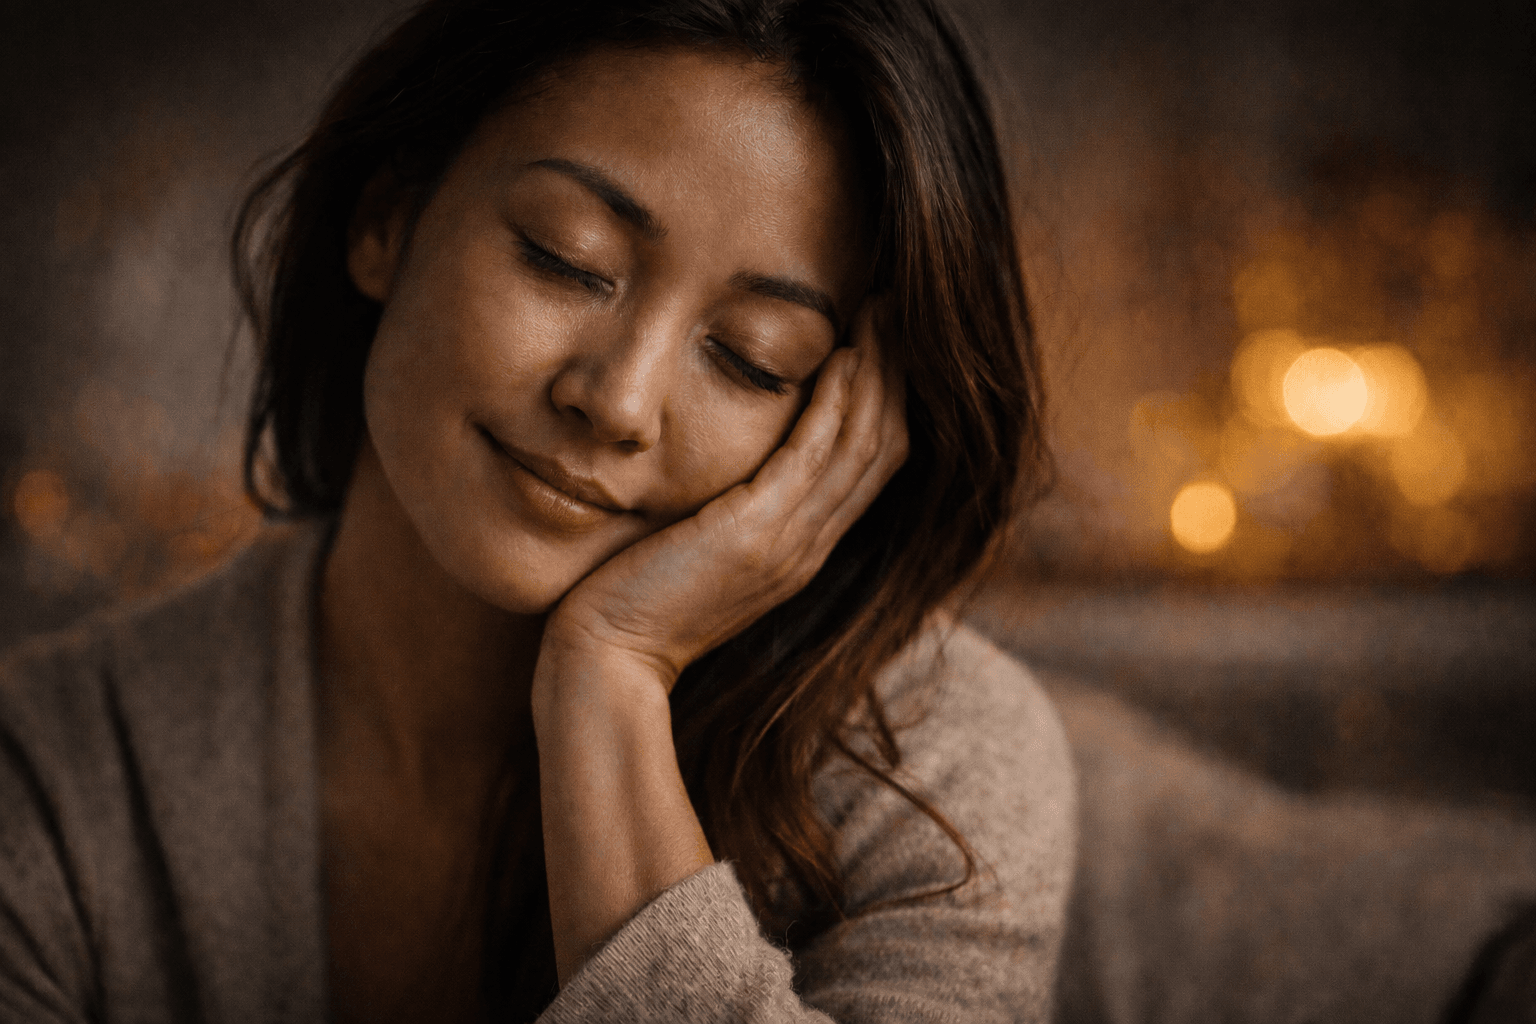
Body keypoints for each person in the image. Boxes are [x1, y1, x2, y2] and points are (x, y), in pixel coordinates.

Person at [0, 0, 1074, 1020]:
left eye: (753, 360)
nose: (616, 401)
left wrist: (611, 673)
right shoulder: (48, 772)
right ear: (387, 216)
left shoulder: (938, 767)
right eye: (566, 258)